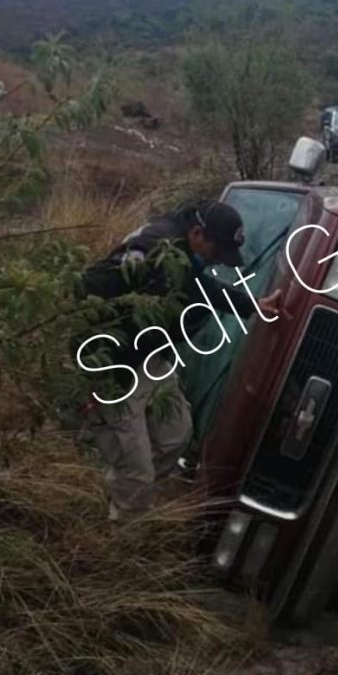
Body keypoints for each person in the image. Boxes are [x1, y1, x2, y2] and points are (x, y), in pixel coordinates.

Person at [77, 199, 282, 521]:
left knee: (175, 438)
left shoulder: (183, 253)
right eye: (215, 252)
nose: (215, 260)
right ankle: (123, 528)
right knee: (137, 471)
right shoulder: (151, 250)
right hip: (116, 369)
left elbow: (200, 288)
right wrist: (98, 370)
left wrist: (253, 305)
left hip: (152, 359)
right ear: (198, 233)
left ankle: (127, 494)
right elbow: (92, 288)